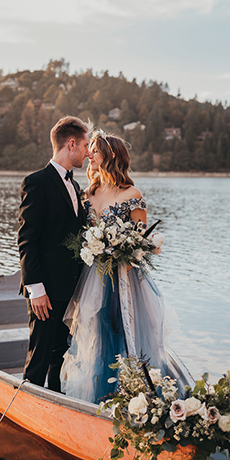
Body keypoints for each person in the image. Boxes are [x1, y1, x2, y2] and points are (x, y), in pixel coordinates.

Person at [61, 130, 190, 403]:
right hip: (94, 276)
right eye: (90, 149)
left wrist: (123, 253)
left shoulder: (133, 194)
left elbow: (140, 240)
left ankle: (140, 396)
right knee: (98, 331)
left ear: (110, 156)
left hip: (126, 278)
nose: (89, 155)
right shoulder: (89, 194)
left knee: (127, 330)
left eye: (95, 150)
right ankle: (103, 395)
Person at [18, 116, 90, 392]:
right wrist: (35, 289)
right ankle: (27, 407)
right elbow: (27, 240)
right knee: (39, 355)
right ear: (71, 144)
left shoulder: (75, 186)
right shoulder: (36, 182)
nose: (87, 152)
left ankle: (55, 403)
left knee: (60, 354)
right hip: (44, 291)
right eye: (84, 145)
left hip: (69, 289)